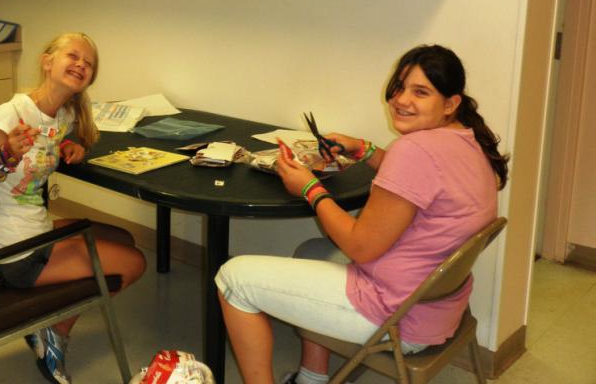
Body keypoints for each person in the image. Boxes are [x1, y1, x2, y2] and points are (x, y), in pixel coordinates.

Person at [215, 44, 508, 384]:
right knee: (310, 251)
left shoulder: (415, 150)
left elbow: (360, 246)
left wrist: (310, 189)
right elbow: (421, 180)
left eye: (420, 92)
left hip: (397, 315)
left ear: (450, 103)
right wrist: (362, 149)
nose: (401, 100)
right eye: (400, 87)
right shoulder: (466, 140)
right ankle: (311, 379)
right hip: (435, 305)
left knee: (233, 279)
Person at [0, 31, 146, 384]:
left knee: (122, 237)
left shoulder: (62, 115)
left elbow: (65, 135)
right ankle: (54, 332)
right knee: (134, 263)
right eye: (72, 56)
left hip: (33, 230)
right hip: (14, 254)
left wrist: (75, 146)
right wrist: (4, 156)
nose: (81, 64)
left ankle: (50, 323)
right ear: (47, 62)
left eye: (88, 63)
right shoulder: (9, 115)